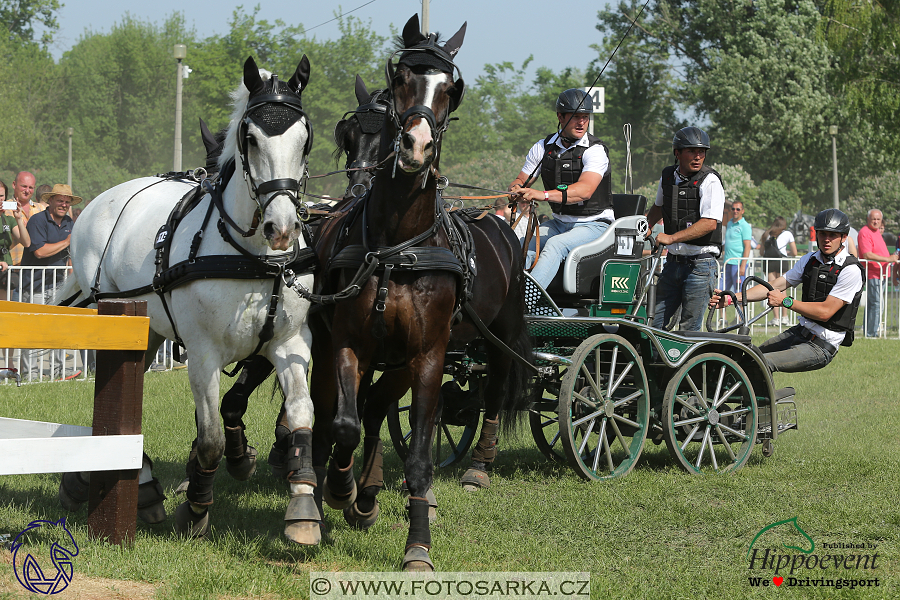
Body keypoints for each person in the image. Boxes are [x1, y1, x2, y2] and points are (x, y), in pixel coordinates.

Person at [708, 209, 863, 373]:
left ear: (844, 237)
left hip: (822, 345)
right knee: (750, 357)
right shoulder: (809, 260)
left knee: (761, 364)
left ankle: (763, 398)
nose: (826, 239)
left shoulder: (850, 270)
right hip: (799, 332)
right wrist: (733, 299)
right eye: (822, 234)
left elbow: (825, 312)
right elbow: (775, 284)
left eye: (832, 235)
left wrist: (785, 302)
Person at [508, 88, 612, 288]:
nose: (581, 122)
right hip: (559, 223)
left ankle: (526, 301)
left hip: (595, 225)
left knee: (556, 245)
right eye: (575, 117)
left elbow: (585, 190)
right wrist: (516, 189)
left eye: (585, 117)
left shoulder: (595, 150)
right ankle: (504, 298)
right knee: (520, 245)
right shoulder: (542, 147)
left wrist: (541, 195)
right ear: (560, 117)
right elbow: (521, 180)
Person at [644, 126, 726, 331]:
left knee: (689, 329)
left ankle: (687, 364)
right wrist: (646, 225)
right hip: (672, 264)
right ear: (677, 152)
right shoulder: (668, 176)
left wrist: (671, 238)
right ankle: (654, 363)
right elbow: (659, 208)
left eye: (702, 152)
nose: (698, 156)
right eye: (692, 151)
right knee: (652, 323)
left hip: (701, 265)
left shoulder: (711, 181)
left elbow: (709, 223)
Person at [20, 184, 81, 379]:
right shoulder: (37, 220)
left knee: (59, 328)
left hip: (58, 285)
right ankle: (30, 373)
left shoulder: (70, 223)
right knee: (32, 331)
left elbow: (71, 255)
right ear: (50, 201)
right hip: (34, 285)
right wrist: (67, 241)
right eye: (60, 200)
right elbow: (39, 252)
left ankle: (59, 371)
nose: (63, 204)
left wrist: (70, 282)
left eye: (67, 201)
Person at [857, 209, 897, 337]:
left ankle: (870, 332)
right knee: (876, 304)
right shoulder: (865, 232)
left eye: (878, 219)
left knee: (875, 304)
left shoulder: (876, 232)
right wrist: (888, 259)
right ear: (868, 219)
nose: (876, 221)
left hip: (882, 273)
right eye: (873, 219)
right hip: (873, 273)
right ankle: (871, 334)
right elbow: (867, 254)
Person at [759, 216, 797, 325]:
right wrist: (786, 253)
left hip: (769, 262)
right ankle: (785, 317)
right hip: (782, 261)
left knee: (772, 288)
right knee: (783, 288)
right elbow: (794, 252)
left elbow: (762, 252)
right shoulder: (787, 234)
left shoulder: (766, 234)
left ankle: (776, 318)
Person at [0, 179, 32, 297]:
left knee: (4, 310)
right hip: (2, 266)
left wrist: (18, 218)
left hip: (5, 271)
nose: (0, 199)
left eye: (2, 196)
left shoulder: (8, 219)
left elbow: (26, 243)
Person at [6, 171, 45, 266]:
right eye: (24, 186)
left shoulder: (41, 209)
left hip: (37, 269)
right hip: (14, 268)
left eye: (31, 187)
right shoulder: (5, 208)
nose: (27, 190)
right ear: (14, 184)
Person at [722, 200, 752, 292]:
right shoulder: (729, 223)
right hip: (727, 262)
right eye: (733, 209)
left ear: (742, 211)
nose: (735, 211)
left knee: (739, 292)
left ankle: (741, 307)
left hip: (738, 264)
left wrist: (743, 266)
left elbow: (747, 246)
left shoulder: (745, 226)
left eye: (738, 209)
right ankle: (721, 307)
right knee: (721, 290)